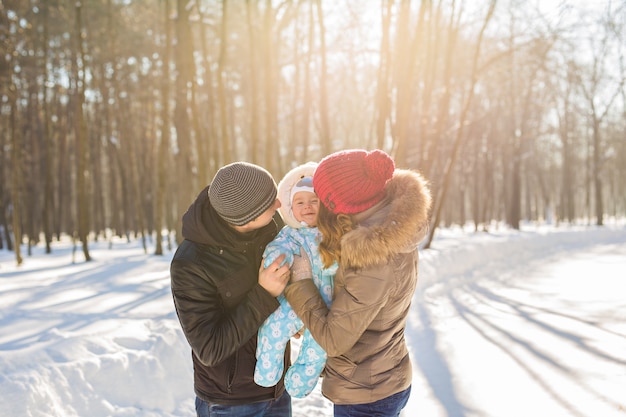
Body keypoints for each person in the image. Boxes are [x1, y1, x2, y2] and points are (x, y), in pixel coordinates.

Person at [282, 149, 432, 417]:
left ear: (339, 203)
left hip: (367, 395)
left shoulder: (372, 257)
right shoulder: (391, 223)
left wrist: (301, 281)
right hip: (384, 376)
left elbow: (333, 339)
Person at [170, 162, 293, 417]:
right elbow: (209, 348)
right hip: (232, 403)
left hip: (278, 389)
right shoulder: (191, 263)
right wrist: (263, 293)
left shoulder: (271, 226)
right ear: (245, 218)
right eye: (270, 201)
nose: (279, 205)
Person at [254, 162, 337, 398]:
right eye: (300, 202)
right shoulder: (290, 233)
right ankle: (267, 373)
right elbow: (278, 249)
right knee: (273, 329)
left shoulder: (331, 234)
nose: (307, 207)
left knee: (319, 345)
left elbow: (340, 259)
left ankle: (300, 383)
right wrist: (276, 259)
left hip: (325, 303)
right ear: (291, 208)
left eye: (313, 201)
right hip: (293, 301)